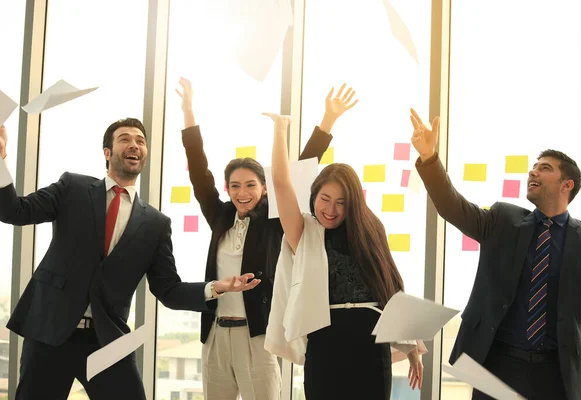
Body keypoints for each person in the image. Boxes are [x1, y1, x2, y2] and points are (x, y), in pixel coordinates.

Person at [0, 120, 259, 400]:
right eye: (124, 139)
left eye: (141, 140)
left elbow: (168, 289)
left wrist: (215, 287)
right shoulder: (72, 187)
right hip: (50, 331)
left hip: (108, 339)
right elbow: (14, 211)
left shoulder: (156, 224)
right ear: (107, 152)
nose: (134, 144)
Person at [175, 78, 357, 400]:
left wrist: (328, 120)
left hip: (256, 333)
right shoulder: (219, 218)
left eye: (249, 185)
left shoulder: (273, 220)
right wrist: (188, 112)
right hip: (215, 333)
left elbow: (299, 168)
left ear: (263, 188)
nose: (241, 193)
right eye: (234, 186)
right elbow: (199, 171)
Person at [409, 108, 581, 400]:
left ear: (567, 184)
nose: (533, 171)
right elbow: (452, 207)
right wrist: (429, 159)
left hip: (555, 373)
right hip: (496, 364)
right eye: (534, 166)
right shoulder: (504, 220)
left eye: (545, 167)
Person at [263, 111, 425, 400]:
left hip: (372, 343)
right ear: (313, 196)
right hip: (326, 341)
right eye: (324, 199)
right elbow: (281, 184)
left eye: (341, 202)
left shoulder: (371, 229)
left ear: (353, 203)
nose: (331, 209)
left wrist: (411, 348)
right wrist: (279, 130)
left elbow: (390, 285)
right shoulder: (304, 230)